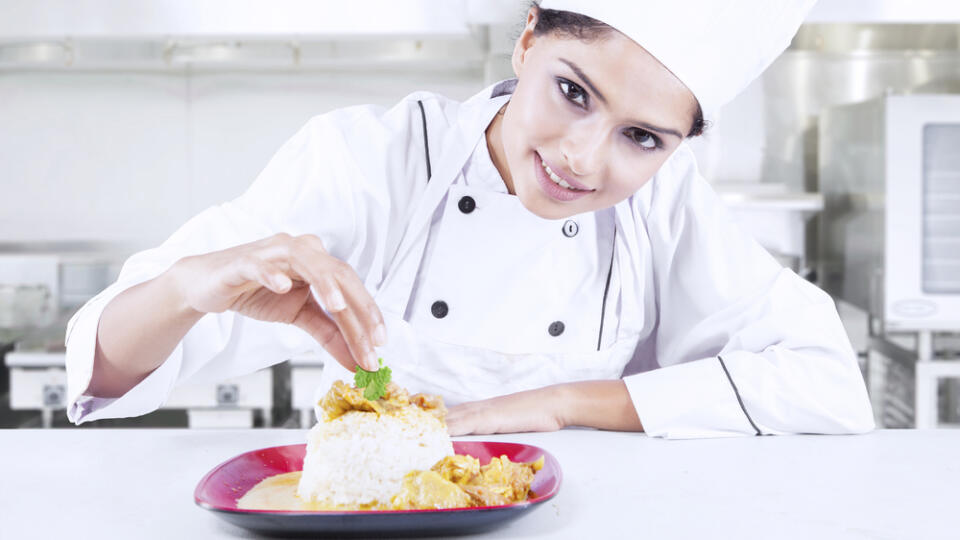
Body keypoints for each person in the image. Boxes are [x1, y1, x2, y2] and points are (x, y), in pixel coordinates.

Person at [64, 0, 875, 439]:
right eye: (573, 91)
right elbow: (105, 373)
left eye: (641, 138)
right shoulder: (373, 161)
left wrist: (562, 402)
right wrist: (183, 287)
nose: (585, 161)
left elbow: (828, 386)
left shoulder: (663, 200)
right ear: (527, 41)